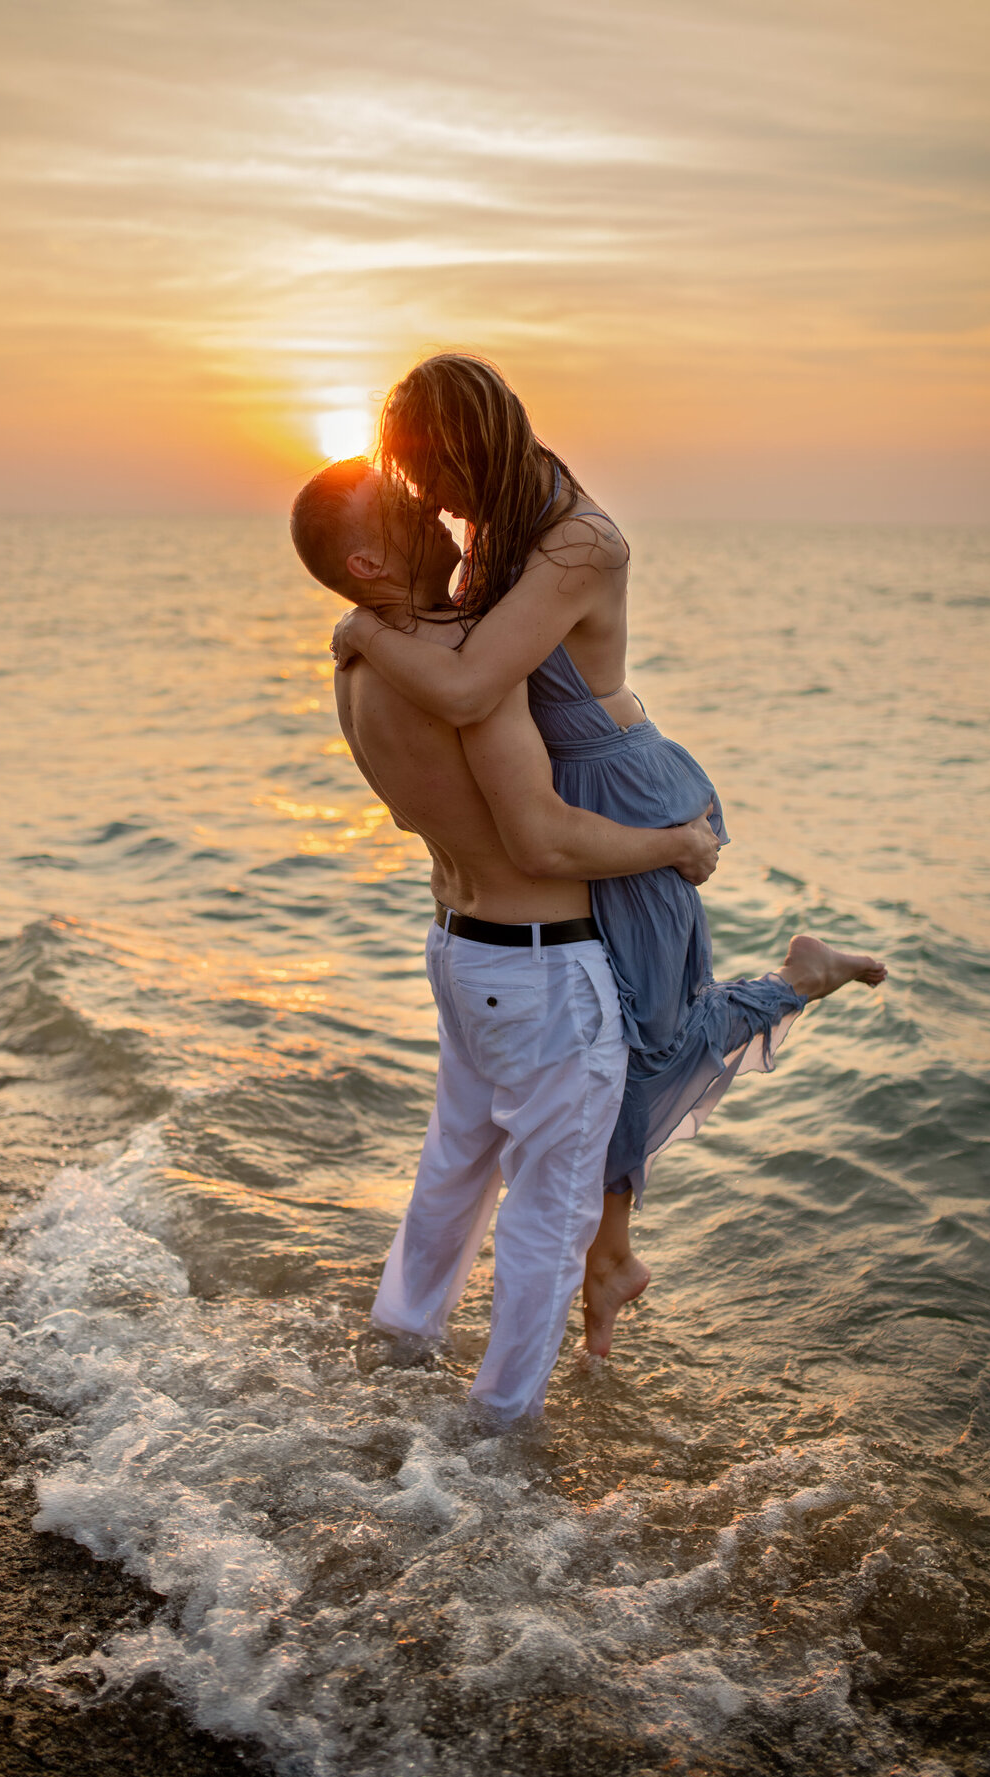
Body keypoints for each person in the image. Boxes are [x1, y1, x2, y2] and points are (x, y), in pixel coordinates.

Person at [332, 353, 887, 1353]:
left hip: (617, 787)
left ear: (475, 446)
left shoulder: (580, 541)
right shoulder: (498, 531)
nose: (436, 507)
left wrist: (364, 633)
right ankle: (611, 1261)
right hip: (558, 792)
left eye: (436, 478)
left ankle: (799, 985)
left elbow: (465, 691)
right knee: (616, 1041)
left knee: (645, 1037)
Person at [290, 457, 720, 1420]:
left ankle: (400, 1340)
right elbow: (543, 835)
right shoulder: (466, 664)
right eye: (402, 510)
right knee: (551, 1213)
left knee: (453, 1172)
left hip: (458, 947)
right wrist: (677, 844)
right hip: (538, 970)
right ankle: (503, 1422)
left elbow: (416, 816)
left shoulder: (358, 667)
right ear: (365, 559)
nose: (437, 514)